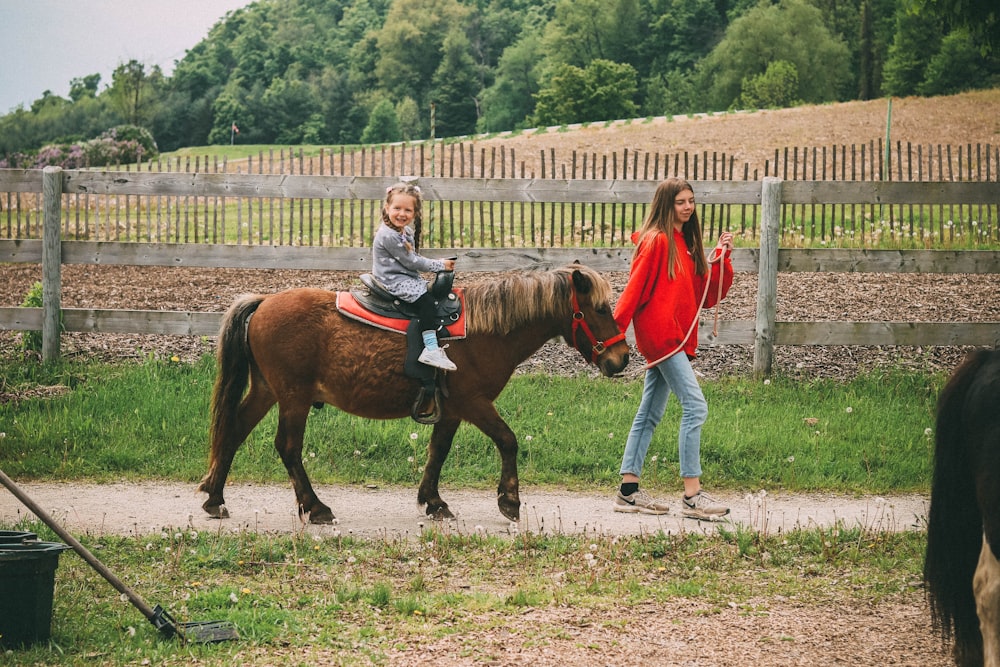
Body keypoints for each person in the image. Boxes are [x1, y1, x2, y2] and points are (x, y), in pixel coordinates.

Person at [612, 177, 734, 520]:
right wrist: (612, 336)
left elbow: (707, 296)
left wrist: (721, 260)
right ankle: (692, 496)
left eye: (691, 201)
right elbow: (633, 292)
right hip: (663, 338)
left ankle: (628, 491)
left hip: (675, 337)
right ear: (667, 204)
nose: (688, 207)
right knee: (696, 407)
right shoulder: (656, 242)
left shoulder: (684, 244)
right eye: (681, 201)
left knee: (649, 412)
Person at [372, 182, 457, 371]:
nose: (402, 214)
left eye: (407, 210)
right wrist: (440, 265)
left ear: (415, 212)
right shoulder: (389, 236)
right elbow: (412, 262)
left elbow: (412, 260)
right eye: (397, 208)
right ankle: (431, 349)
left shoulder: (404, 231)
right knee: (427, 303)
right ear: (387, 208)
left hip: (403, 275)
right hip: (393, 280)